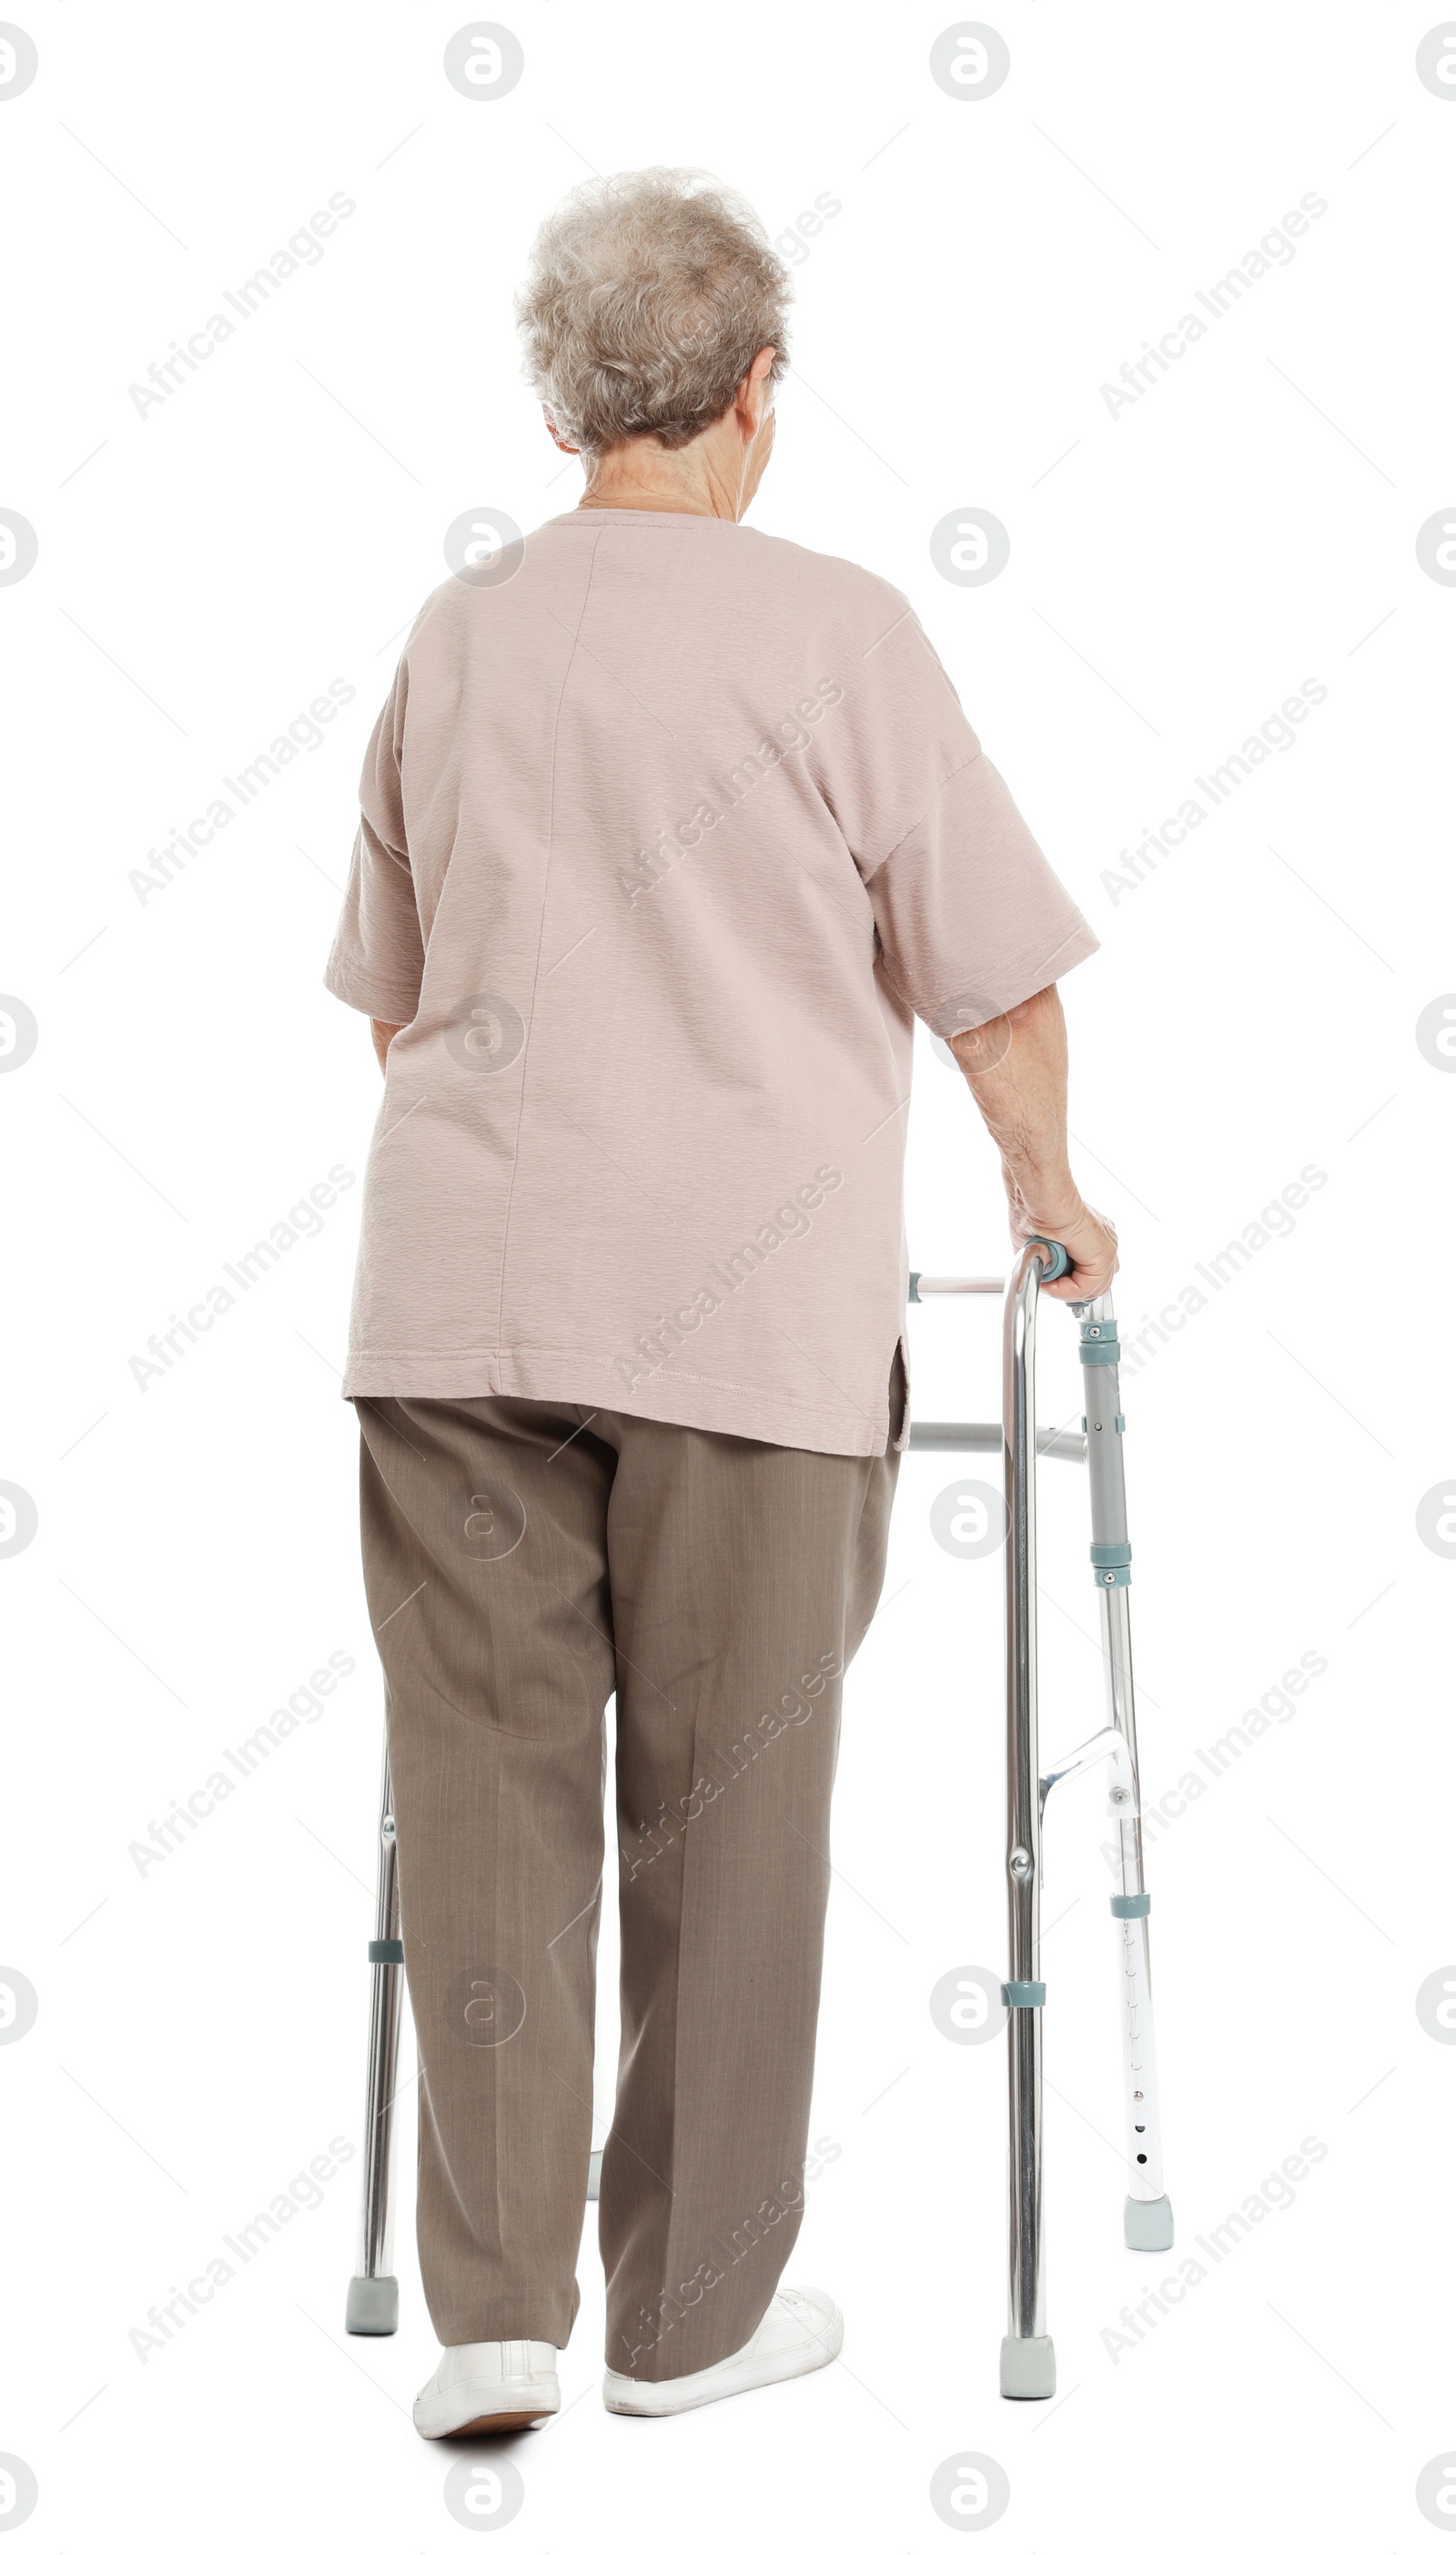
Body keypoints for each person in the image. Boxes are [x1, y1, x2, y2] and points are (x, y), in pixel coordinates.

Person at [323, 165, 1115, 2438]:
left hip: (459, 1305)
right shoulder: (836, 630)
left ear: (563, 400)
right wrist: (1048, 1184)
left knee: (479, 1793)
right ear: (755, 395)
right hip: (741, 1321)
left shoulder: (457, 631)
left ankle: (490, 2322)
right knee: (725, 1815)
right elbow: (986, 973)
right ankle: (682, 2321)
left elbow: (386, 1000)